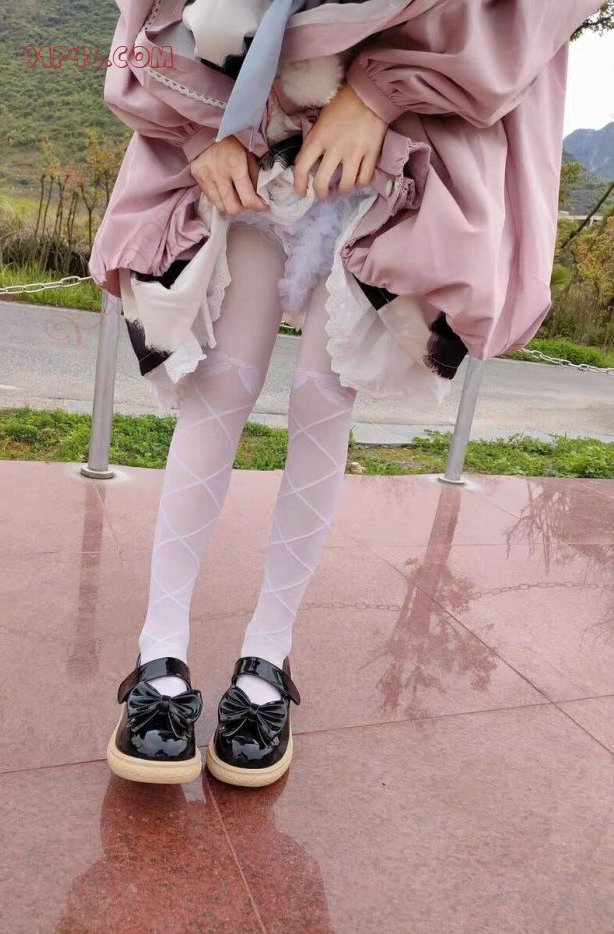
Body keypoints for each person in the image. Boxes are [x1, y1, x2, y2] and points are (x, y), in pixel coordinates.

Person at [90, 0, 599, 787]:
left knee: (325, 401)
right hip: (246, 115)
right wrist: (198, 129)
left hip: (398, 140)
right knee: (220, 387)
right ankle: (159, 649)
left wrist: (380, 93)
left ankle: (269, 654)